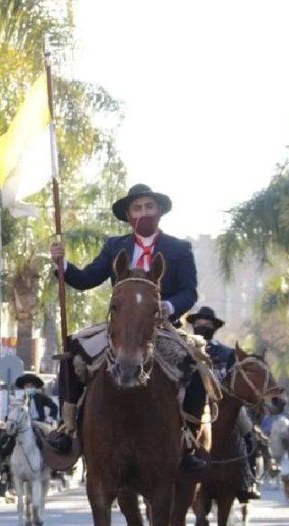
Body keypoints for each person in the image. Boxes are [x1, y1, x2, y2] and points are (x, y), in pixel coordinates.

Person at [48, 184, 205, 473]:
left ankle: (189, 439)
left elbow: (190, 292)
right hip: (119, 326)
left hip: (161, 327)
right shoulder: (114, 247)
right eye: (137, 208)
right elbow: (85, 279)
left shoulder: (179, 248)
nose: (143, 212)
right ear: (129, 215)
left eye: (149, 207)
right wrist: (63, 264)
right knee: (72, 353)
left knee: (194, 366)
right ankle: (68, 428)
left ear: (158, 211)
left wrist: (169, 306)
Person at [185, 306, 262, 500]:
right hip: (189, 401)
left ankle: (248, 478)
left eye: (207, 323)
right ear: (193, 325)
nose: (203, 325)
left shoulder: (227, 354)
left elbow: (234, 379)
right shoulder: (183, 347)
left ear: (214, 327)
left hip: (221, 402)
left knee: (248, 431)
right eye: (199, 322)